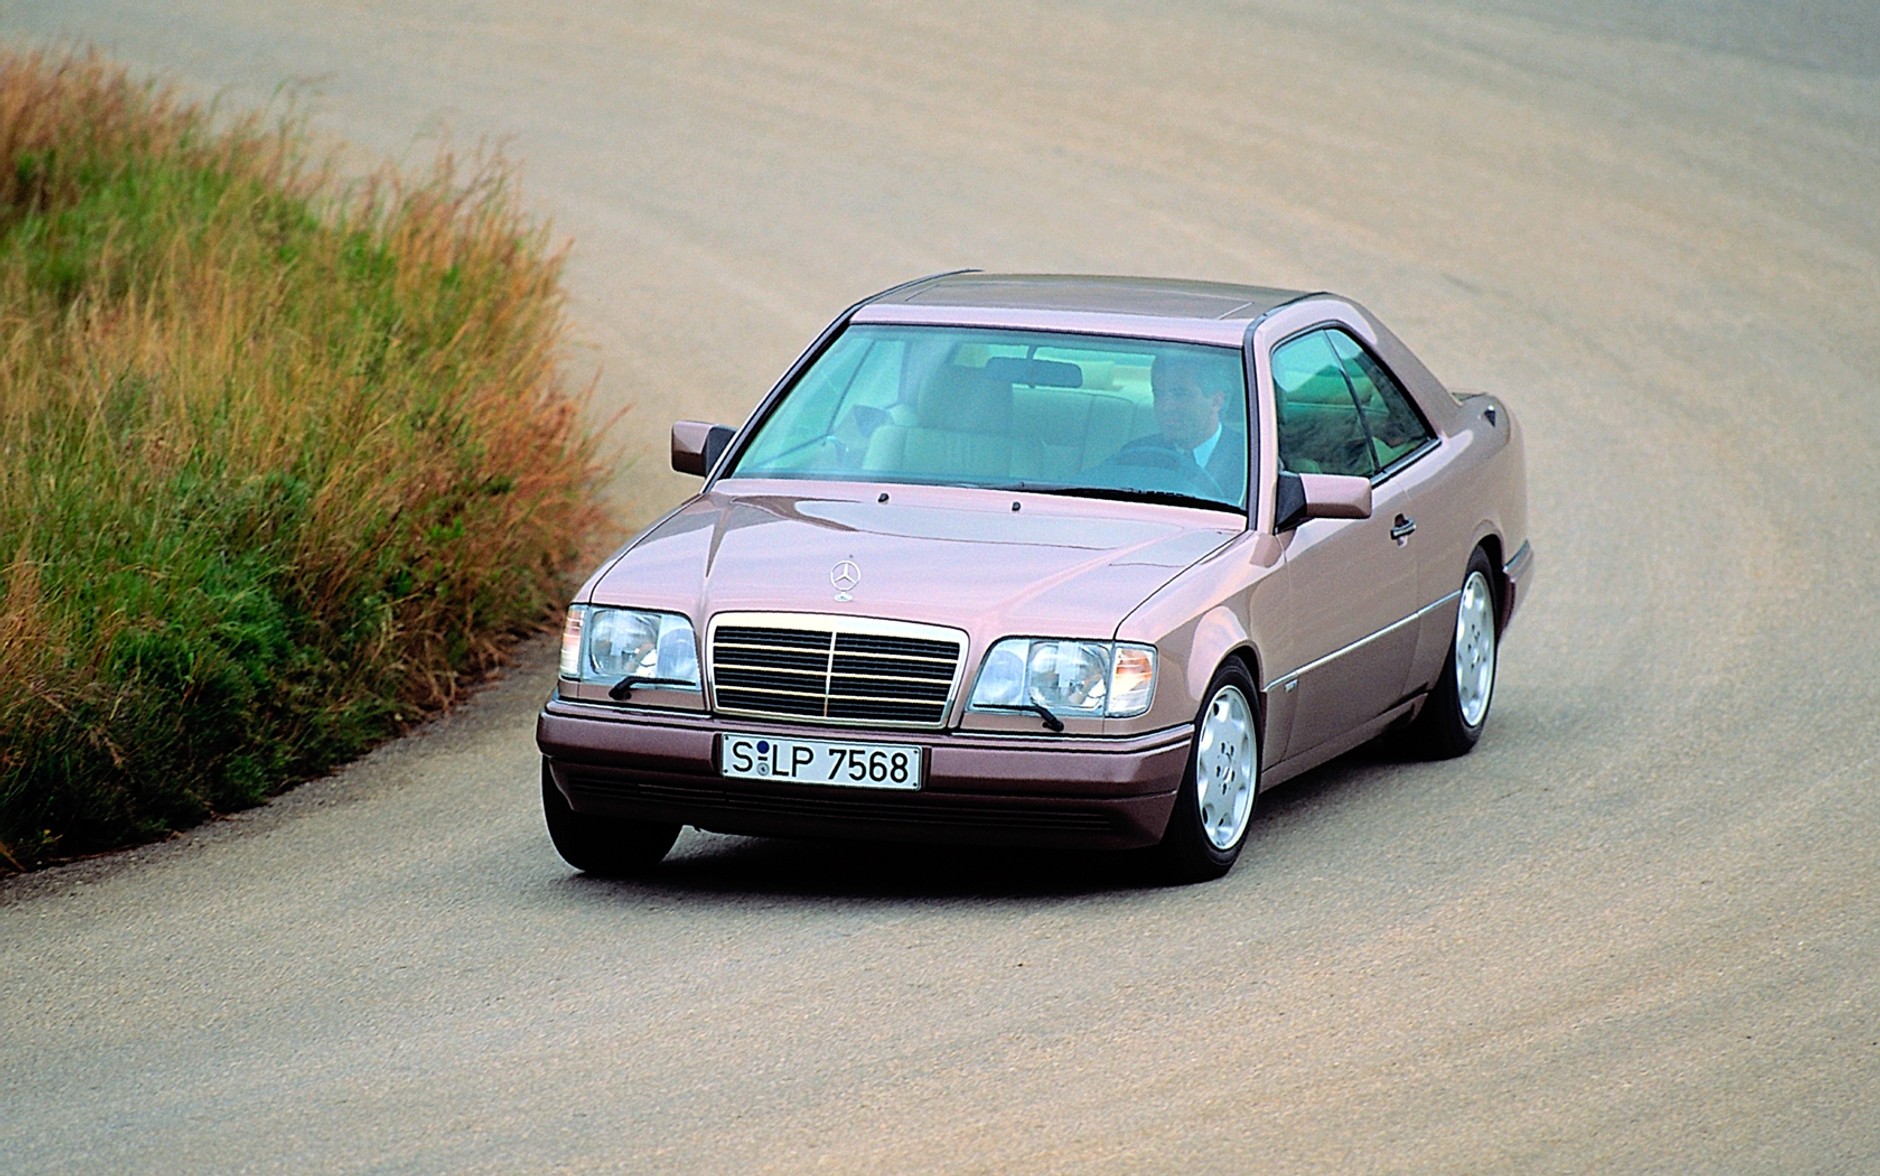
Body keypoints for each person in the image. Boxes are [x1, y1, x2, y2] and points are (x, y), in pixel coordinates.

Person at [1109, 351, 1247, 498]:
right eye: (1159, 394)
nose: (1166, 407)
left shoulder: (1252, 461)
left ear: (1216, 401)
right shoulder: (1136, 457)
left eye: (1180, 394)